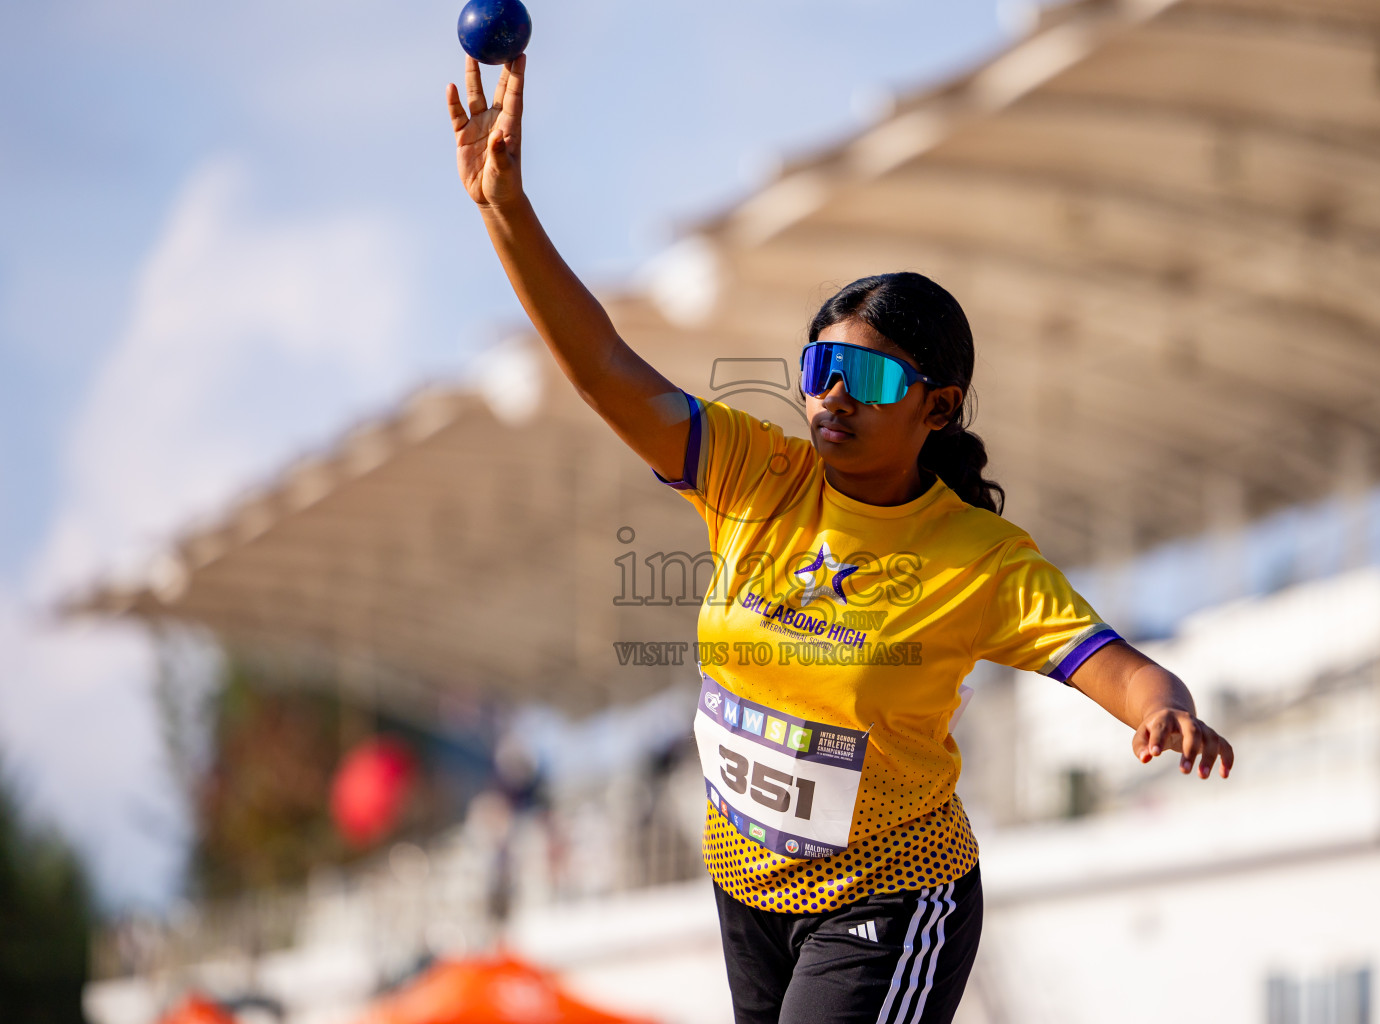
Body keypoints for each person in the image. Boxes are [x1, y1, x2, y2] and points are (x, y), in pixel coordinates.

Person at [448, 54, 1235, 1024]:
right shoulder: (749, 470)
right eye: (821, 366)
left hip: (893, 901)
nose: (829, 396)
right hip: (749, 894)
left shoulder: (977, 558)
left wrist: (1168, 707)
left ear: (937, 407)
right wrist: (505, 211)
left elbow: (1115, 667)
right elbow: (604, 367)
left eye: (864, 382)